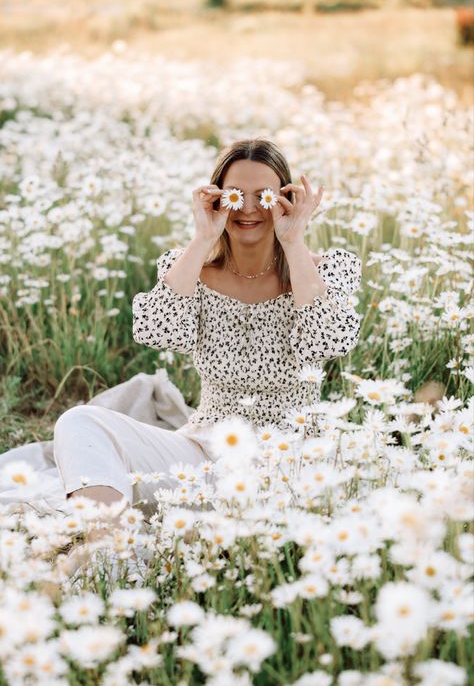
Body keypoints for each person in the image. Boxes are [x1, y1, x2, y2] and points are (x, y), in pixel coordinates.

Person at [51, 137, 362, 521]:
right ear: (216, 199)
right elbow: (157, 333)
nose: (248, 209)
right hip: (204, 455)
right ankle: (109, 551)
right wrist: (202, 239)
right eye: (234, 196)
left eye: (264, 197)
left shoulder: (328, 269)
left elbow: (327, 343)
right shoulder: (189, 268)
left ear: (284, 200)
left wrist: (293, 241)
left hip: (290, 462)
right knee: (80, 422)